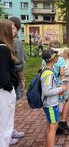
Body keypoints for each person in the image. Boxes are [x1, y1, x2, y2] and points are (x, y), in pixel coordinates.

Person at [43, 40, 69, 133]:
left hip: (48, 84)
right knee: (68, 99)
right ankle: (62, 122)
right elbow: (62, 73)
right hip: (58, 85)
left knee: (53, 104)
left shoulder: (44, 60)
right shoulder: (60, 60)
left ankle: (54, 122)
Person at [41, 49, 67, 147]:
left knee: (50, 124)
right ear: (53, 58)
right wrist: (60, 89)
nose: (58, 57)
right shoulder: (48, 73)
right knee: (53, 126)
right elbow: (46, 91)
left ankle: (49, 145)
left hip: (51, 102)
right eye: (57, 56)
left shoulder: (48, 70)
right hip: (50, 104)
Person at [0, 19, 19, 147]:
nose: (15, 30)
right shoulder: (3, 49)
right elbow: (3, 74)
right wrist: (10, 87)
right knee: (5, 127)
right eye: (12, 28)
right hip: (3, 92)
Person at [8, 17, 26, 145]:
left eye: (14, 28)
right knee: (9, 107)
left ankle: (9, 131)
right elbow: (19, 63)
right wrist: (23, 79)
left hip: (6, 78)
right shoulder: (15, 42)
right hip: (12, 79)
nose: (13, 30)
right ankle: (7, 134)